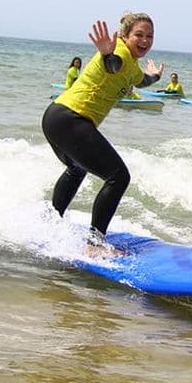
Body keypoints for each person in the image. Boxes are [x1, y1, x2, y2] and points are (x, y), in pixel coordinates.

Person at [41, 13, 164, 254]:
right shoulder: (118, 51)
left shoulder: (133, 66)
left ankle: (48, 225)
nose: (145, 40)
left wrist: (156, 76)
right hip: (70, 117)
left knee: (76, 168)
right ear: (124, 36)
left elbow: (141, 81)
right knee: (119, 177)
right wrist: (106, 53)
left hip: (55, 118)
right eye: (139, 35)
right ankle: (95, 244)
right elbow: (113, 65)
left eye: (150, 36)